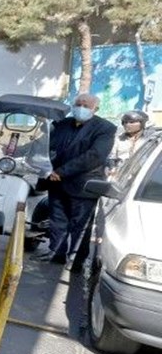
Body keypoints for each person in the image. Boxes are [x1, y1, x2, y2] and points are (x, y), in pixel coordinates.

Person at [34, 93, 115, 265]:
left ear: (95, 109)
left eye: (85, 105)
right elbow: (47, 146)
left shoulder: (105, 128)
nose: (81, 108)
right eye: (78, 104)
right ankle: (56, 253)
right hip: (56, 182)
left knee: (80, 225)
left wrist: (62, 171)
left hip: (83, 184)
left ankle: (77, 259)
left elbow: (95, 156)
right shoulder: (62, 124)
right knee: (57, 221)